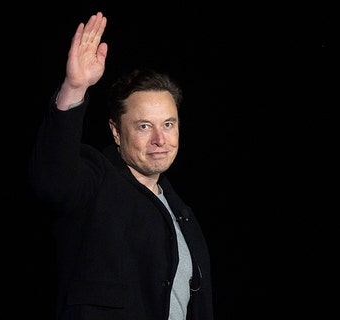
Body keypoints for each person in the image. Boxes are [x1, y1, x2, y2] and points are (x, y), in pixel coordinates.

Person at [29, 12, 214, 320]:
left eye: (168, 124)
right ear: (116, 131)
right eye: (144, 126)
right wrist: (74, 89)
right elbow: (52, 178)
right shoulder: (96, 180)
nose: (160, 139)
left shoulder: (181, 212)